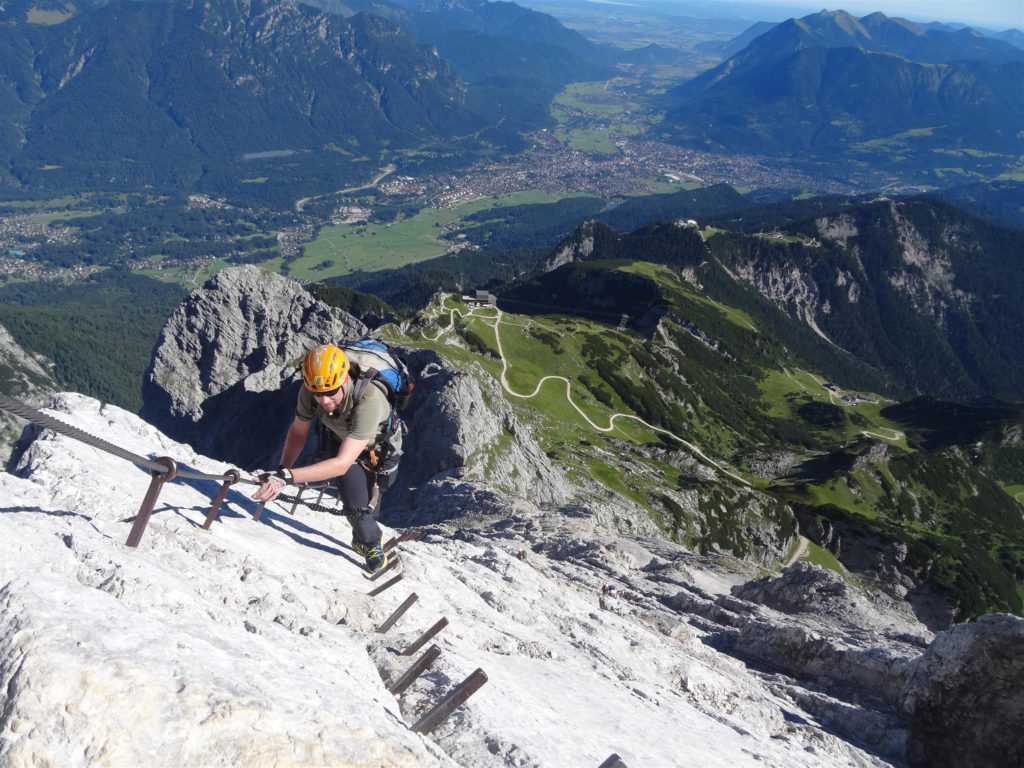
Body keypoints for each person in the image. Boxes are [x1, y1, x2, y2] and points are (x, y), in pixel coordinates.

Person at [252, 343, 401, 573]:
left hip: (379, 450)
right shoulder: (310, 390)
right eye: (318, 394)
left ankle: (365, 528)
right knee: (355, 506)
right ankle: (371, 542)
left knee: (376, 494)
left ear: (344, 379)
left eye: (331, 392)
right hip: (343, 441)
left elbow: (339, 464)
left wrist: (288, 477)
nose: (324, 401)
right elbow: (299, 431)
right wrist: (282, 469)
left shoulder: (370, 400)